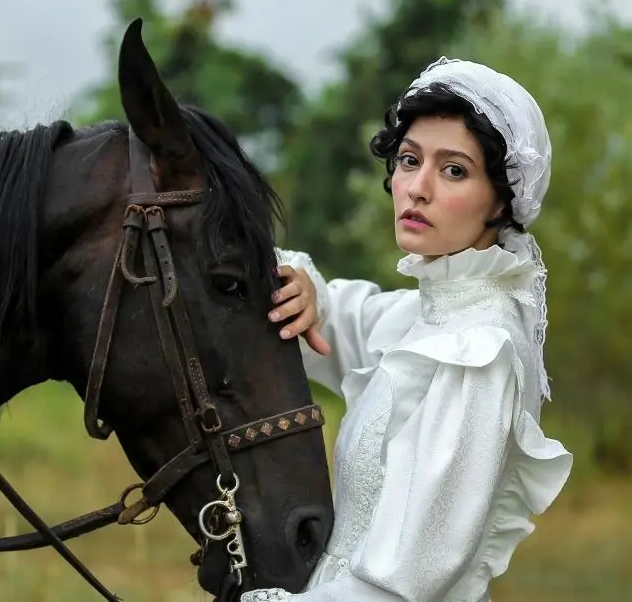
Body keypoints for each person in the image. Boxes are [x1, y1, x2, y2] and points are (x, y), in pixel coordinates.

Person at [241, 58, 573, 602]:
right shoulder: (421, 316)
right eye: (409, 160)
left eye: (454, 170)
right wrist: (303, 287)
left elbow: (404, 587)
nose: (416, 188)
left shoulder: (478, 352)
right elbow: (339, 315)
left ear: (502, 198)